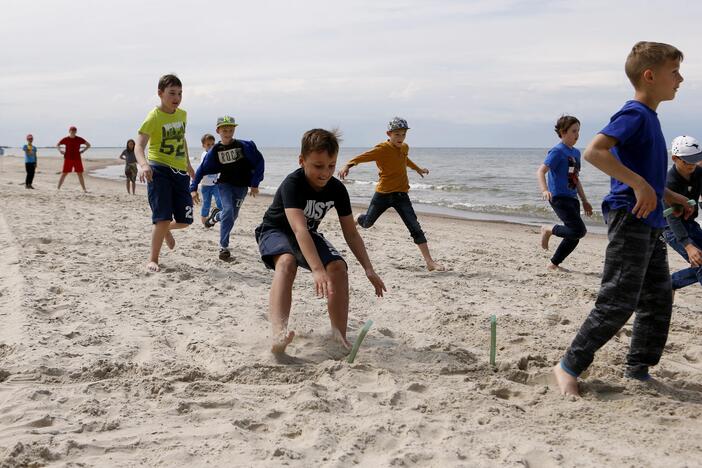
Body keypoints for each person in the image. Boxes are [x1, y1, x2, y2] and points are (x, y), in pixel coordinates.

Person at [553, 42, 690, 397]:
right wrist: (641, 185)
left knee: (658, 298)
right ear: (650, 75)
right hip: (630, 217)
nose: (680, 79)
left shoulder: (650, 118)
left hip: (650, 220)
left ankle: (637, 368)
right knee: (618, 300)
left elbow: (644, 174)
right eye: (674, 72)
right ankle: (568, 365)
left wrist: (670, 196)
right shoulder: (635, 113)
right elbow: (594, 151)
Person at [255, 128, 386, 354]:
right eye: (318, 166)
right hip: (276, 230)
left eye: (331, 165)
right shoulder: (292, 184)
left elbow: (351, 233)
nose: (325, 173)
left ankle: (339, 335)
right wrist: (316, 269)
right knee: (287, 262)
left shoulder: (337, 189)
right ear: (302, 160)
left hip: (307, 233)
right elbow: (298, 229)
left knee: (337, 267)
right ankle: (279, 334)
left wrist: (368, 268)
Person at [338, 117, 444, 271]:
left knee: (415, 228)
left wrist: (418, 169)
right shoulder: (381, 149)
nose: (400, 138)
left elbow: (405, 160)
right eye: (397, 135)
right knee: (367, 223)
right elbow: (363, 157)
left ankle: (430, 262)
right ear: (389, 133)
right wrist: (348, 165)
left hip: (401, 195)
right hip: (383, 194)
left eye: (403, 134)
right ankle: (358, 218)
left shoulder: (405, 147)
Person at [134, 74, 195, 272]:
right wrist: (144, 165)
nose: (176, 97)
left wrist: (188, 164)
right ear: (160, 94)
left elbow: (181, 139)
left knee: (185, 221)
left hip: (180, 172)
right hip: (159, 169)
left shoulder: (182, 115)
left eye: (179, 93)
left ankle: (165, 229)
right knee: (162, 217)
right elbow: (138, 145)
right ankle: (153, 259)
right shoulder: (154, 117)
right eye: (171, 93)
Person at [190, 116, 264, 260]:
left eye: (231, 130)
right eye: (224, 130)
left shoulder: (244, 146)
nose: (228, 133)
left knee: (232, 216)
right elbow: (201, 169)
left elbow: (259, 161)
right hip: (224, 184)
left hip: (241, 186)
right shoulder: (215, 150)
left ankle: (216, 216)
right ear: (218, 131)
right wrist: (193, 188)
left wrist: (255, 184)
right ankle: (223, 247)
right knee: (228, 211)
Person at [537, 115, 593, 269]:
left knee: (573, 235)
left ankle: (553, 264)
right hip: (558, 197)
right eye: (574, 131)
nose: (577, 135)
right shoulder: (557, 151)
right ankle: (548, 229)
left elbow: (575, 178)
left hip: (572, 198)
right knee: (579, 230)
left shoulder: (576, 153)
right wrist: (544, 190)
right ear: (563, 132)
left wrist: (584, 200)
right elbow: (541, 171)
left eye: (578, 131)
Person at [662, 135, 702, 293]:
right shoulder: (669, 182)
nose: (692, 164)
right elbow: (671, 217)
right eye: (687, 161)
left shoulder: (698, 173)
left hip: (691, 223)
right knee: (699, 261)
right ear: (674, 158)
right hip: (671, 228)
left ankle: (670, 284)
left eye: (695, 159)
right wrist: (688, 246)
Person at [193, 133, 222, 226]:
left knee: (220, 202)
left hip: (215, 184)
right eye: (208, 144)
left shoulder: (215, 154)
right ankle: (204, 221)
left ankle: (222, 218)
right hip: (205, 185)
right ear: (203, 145)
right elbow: (204, 167)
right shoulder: (205, 154)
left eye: (213, 144)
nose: (211, 146)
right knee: (206, 204)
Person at [56, 126, 91, 192]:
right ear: (69, 131)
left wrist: (83, 151)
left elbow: (88, 145)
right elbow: (57, 145)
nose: (73, 132)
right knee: (64, 173)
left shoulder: (79, 139)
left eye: (74, 131)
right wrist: (60, 150)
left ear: (76, 132)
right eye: (71, 131)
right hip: (68, 158)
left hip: (77, 158)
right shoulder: (66, 139)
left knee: (79, 174)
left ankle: (84, 189)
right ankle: (58, 188)